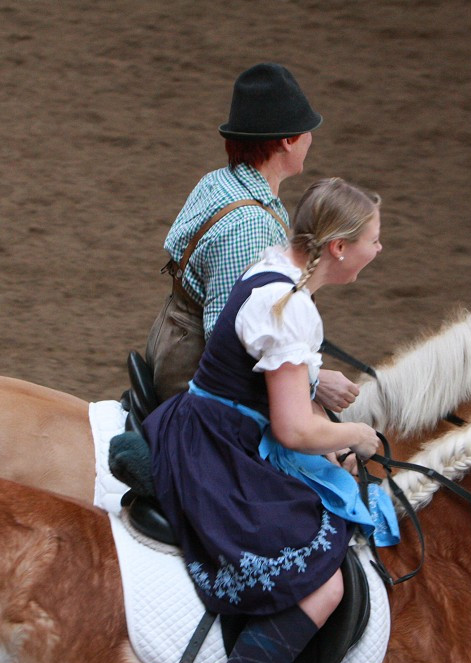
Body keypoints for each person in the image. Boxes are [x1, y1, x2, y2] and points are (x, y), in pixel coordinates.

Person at [143, 178, 397, 663]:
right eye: (374, 240)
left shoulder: (275, 269)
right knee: (321, 585)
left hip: (215, 426)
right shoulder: (287, 306)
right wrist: (356, 435)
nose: (379, 250)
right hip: (216, 449)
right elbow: (292, 430)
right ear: (339, 248)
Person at [145, 62, 359, 412]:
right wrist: (314, 382)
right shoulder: (251, 224)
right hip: (196, 381)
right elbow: (231, 341)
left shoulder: (219, 181)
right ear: (289, 141)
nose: (310, 139)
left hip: (170, 346)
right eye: (307, 131)